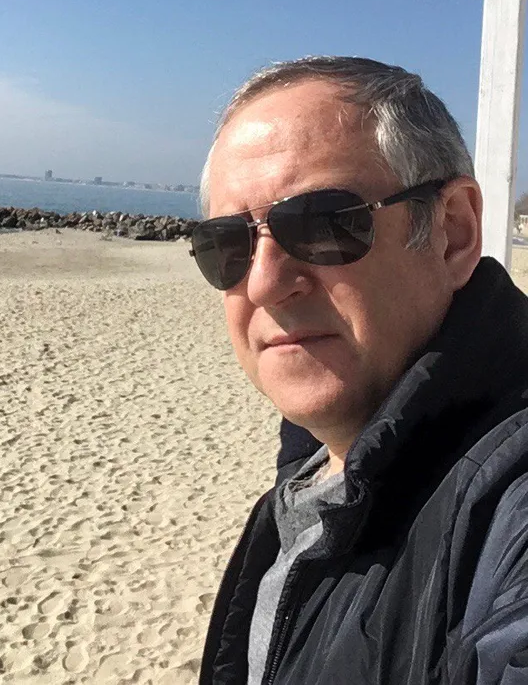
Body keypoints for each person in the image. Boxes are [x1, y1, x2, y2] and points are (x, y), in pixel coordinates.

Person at [190, 56, 528, 684]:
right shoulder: (315, 471)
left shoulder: (509, 510)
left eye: (322, 223)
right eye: (226, 244)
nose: (264, 282)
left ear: (452, 233)